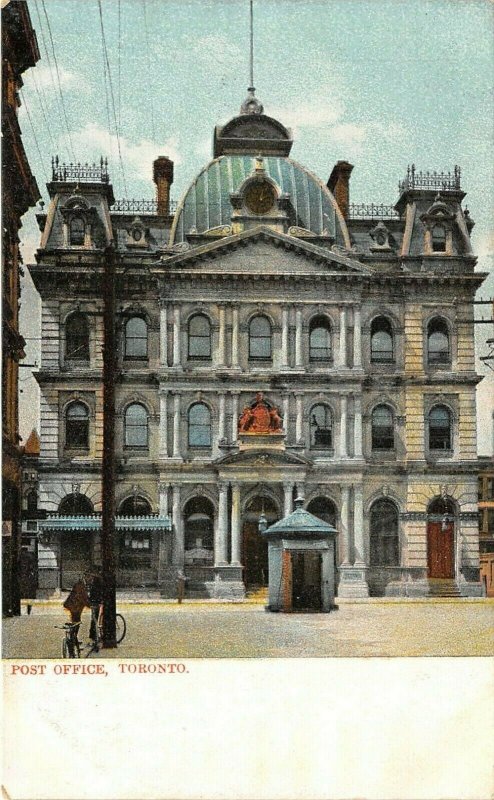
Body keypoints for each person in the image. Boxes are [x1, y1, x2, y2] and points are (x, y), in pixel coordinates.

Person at [62, 574, 90, 649]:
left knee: (75, 622)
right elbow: (83, 597)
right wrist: (89, 605)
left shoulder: (80, 584)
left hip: (74, 606)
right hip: (75, 607)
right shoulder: (81, 586)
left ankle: (73, 638)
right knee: (76, 623)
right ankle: (72, 640)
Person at [87, 567, 104, 648]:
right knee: (97, 619)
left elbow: (92, 594)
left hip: (94, 603)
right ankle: (98, 636)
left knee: (94, 620)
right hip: (98, 602)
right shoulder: (100, 581)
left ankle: (94, 637)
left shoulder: (95, 582)